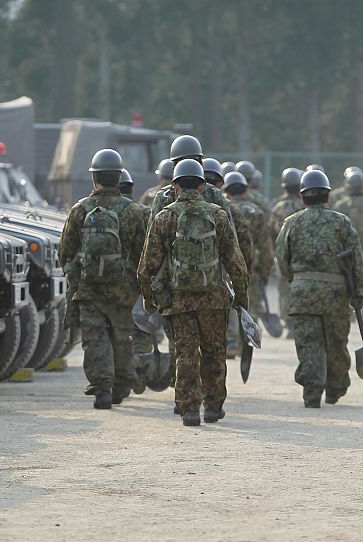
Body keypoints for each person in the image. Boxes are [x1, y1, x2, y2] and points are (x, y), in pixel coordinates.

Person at [138, 159, 248, 426]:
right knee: (214, 351)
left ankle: (189, 409)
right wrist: (241, 298)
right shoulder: (218, 215)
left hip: (178, 299)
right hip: (214, 298)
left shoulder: (165, 216)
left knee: (185, 352)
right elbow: (236, 263)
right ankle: (213, 407)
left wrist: (150, 299)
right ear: (202, 185)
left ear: (174, 186)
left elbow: (146, 266)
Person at [59, 149, 145, 408]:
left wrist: (76, 277)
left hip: (88, 289)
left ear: (94, 178)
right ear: (118, 178)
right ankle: (122, 384)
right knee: (122, 337)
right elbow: (144, 253)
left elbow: (65, 251)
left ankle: (102, 389)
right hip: (124, 290)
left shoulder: (81, 209)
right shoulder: (133, 211)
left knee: (94, 338)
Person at [275, 169, 363, 408]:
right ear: (328, 196)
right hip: (336, 295)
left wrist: (297, 280)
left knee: (308, 343)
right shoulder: (342, 222)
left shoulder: (291, 223)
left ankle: (312, 391)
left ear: (303, 198)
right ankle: (335, 387)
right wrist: (359, 293)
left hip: (303, 293)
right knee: (336, 342)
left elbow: (282, 260)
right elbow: (356, 261)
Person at [223, 171, 273, 324]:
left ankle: (232, 345)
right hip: (250, 269)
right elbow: (266, 250)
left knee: (228, 314)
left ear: (226, 191)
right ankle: (246, 346)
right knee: (250, 315)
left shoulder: (220, 210)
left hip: (224, 271)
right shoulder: (256, 212)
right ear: (246, 190)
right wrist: (263, 275)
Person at [332, 168, 363, 322]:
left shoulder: (341, 206)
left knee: (347, 278)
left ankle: (349, 310)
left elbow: (334, 228)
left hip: (346, 250)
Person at [118, 168, 154, 355]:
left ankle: (119, 374)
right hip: (139, 286)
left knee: (114, 333)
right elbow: (155, 251)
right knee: (141, 331)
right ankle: (140, 371)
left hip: (105, 285)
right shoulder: (143, 213)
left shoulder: (91, 212)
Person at [270, 167, 304, 337]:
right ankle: (299, 321)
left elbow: (270, 233)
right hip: (301, 254)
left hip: (282, 254)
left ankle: (288, 322)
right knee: (300, 287)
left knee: (284, 289)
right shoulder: (304, 206)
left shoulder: (277, 207)